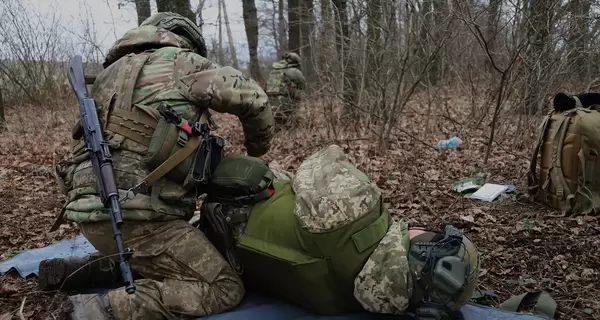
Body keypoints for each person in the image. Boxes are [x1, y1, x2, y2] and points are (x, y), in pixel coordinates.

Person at [41, 12, 274, 320]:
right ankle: (94, 310)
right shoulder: (184, 62)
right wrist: (257, 150)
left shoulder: (106, 75)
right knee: (224, 286)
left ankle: (81, 270)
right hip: (142, 221)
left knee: (147, 250)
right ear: (186, 41)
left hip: (89, 214)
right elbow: (254, 99)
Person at [199, 145, 480, 319]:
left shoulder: (359, 213)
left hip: (223, 206)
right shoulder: (351, 303)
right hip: (219, 254)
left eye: (432, 236)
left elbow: (323, 157)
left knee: (275, 177)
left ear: (420, 248)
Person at [264, 51, 307, 126]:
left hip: (270, 102)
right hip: (286, 102)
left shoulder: (274, 71)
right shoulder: (294, 71)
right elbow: (303, 86)